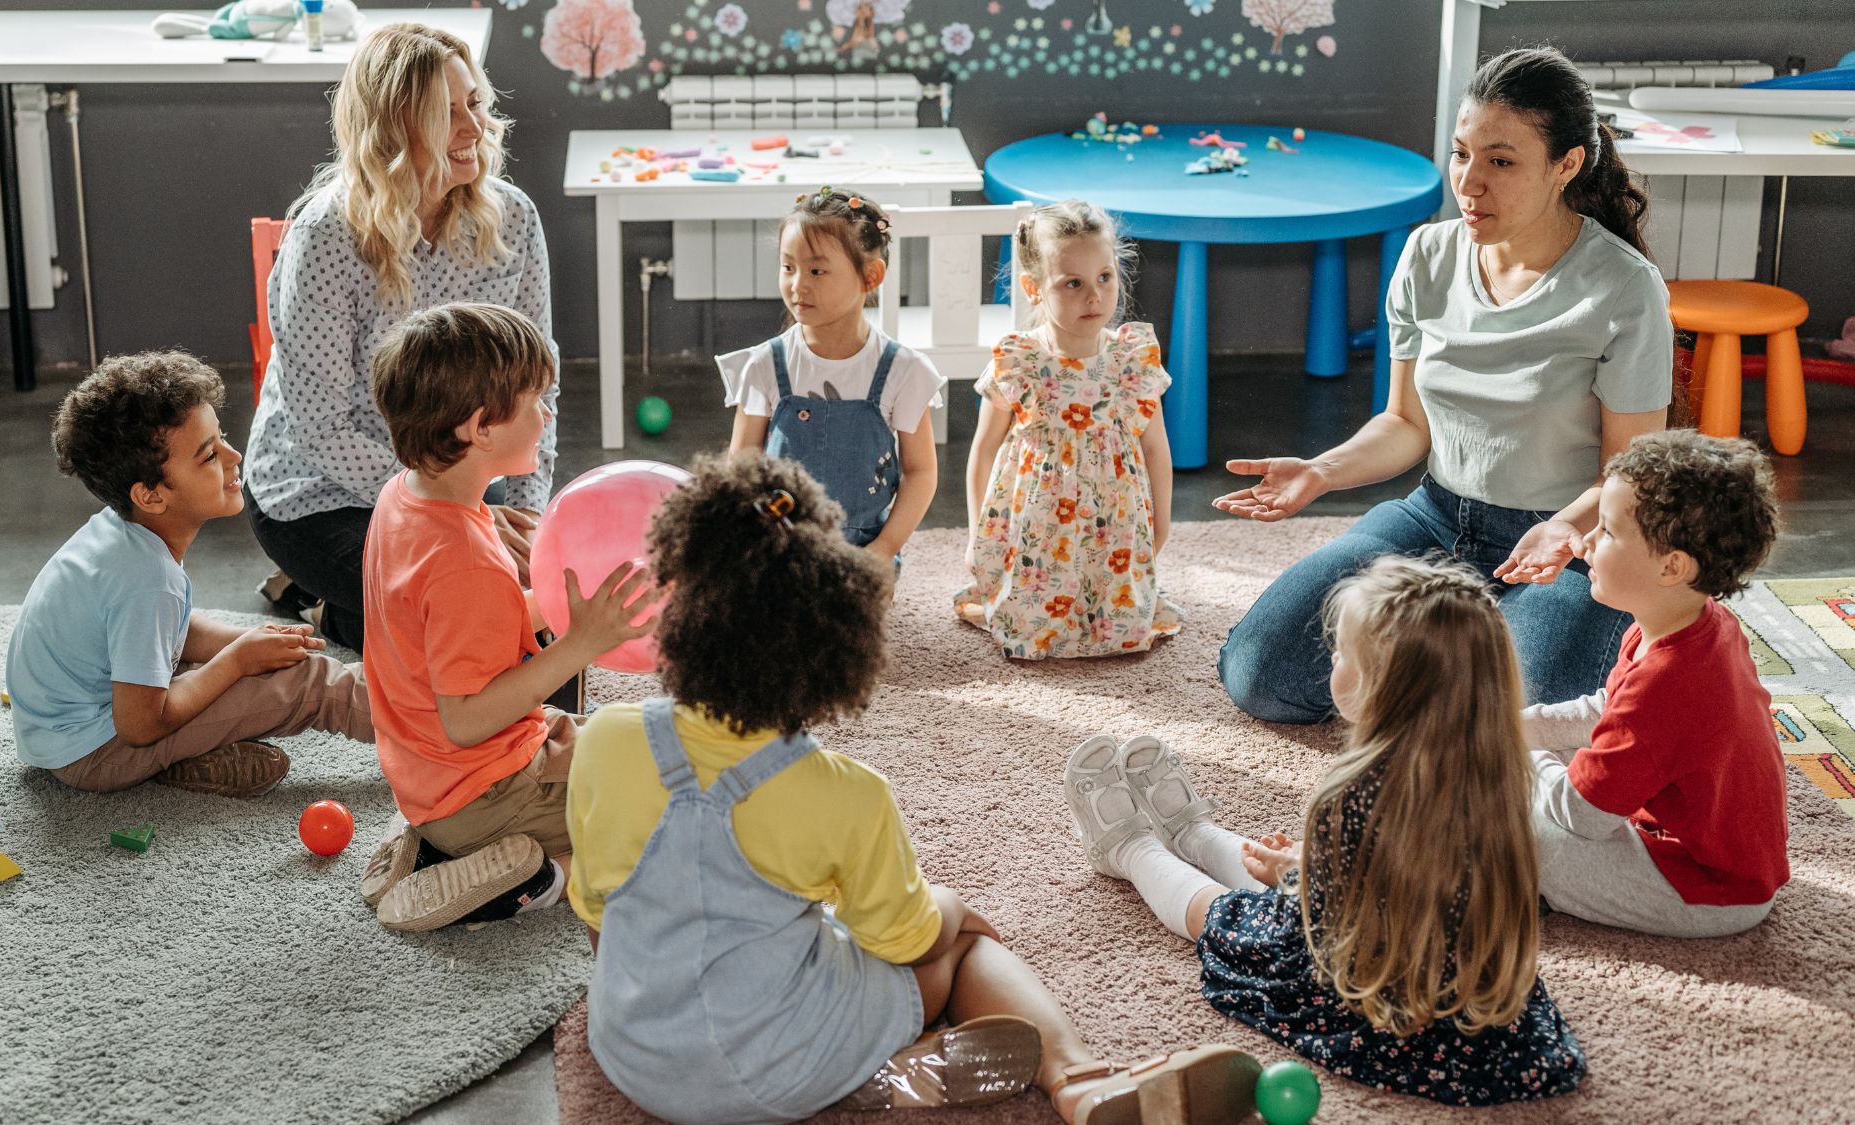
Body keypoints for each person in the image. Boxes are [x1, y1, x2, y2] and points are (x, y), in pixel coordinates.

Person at [569, 452, 1254, 1125]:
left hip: (634, 1056)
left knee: (773, 922)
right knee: (966, 950)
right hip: (778, 1066)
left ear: (675, 609)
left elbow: (600, 913)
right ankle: (1078, 1079)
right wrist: (953, 911)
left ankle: (867, 1067)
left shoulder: (604, 738)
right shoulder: (846, 794)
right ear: (835, 648)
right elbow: (908, 941)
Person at [1216, 46, 1673, 721]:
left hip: (1562, 543)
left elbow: (1629, 471)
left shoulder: (1624, 288)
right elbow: (1405, 424)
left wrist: (1566, 530)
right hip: (1434, 515)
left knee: (1524, 721)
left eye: (1501, 160)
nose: (1469, 181)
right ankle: (1452, 663)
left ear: (1567, 165)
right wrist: (1321, 470)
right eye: (1461, 154)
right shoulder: (1428, 255)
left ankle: (1448, 667)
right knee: (1260, 672)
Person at [1067, 556, 1585, 1105]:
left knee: (1228, 916)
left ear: (1378, 688)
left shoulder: (1355, 793)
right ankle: (1193, 833)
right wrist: (1309, 868)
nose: (1332, 657)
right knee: (1277, 883)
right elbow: (1408, 875)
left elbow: (1323, 918)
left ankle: (1131, 850)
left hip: (1386, 998)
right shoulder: (1506, 771)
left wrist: (1303, 875)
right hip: (1477, 1004)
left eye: (1342, 653)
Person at [243, 22, 558, 652]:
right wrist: (457, 513)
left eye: (475, 103)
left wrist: (527, 518)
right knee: (469, 614)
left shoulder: (513, 218)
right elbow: (321, 427)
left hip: (459, 477)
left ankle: (340, 601)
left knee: (524, 602)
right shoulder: (328, 235)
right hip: (320, 495)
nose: (474, 128)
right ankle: (327, 607)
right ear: (391, 129)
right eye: (446, 113)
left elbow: (536, 386)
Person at [355, 303, 652, 933]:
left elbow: (451, 636)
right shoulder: (463, 559)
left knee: (634, 739)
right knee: (666, 817)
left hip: (435, 776)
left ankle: (434, 844)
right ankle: (534, 877)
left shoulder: (406, 495)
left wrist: (552, 607)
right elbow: (466, 721)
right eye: (535, 400)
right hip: (484, 789)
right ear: (479, 428)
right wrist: (580, 643)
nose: (546, 415)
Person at [7, 353, 371, 796]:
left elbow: (172, 629)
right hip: (97, 752)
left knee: (258, 662)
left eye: (224, 439)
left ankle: (188, 758)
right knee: (304, 683)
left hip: (63, 734)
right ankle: (438, 732)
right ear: (151, 496)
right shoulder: (147, 582)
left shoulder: (123, 531)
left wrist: (244, 642)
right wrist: (238, 661)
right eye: (209, 455)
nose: (235, 456)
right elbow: (141, 724)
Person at [1527, 430, 1786, 937]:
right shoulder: (1691, 623)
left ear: (1671, 566)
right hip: (1693, 846)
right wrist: (1517, 728)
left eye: (1606, 531)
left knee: (1533, 841)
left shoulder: (1669, 680)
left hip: (1711, 888)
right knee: (1531, 776)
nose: (1585, 542)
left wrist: (1516, 753)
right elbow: (1609, 711)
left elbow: (1581, 817)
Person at [955, 200, 1180, 659]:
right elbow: (983, 451)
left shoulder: (1132, 360)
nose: (1094, 297)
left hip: (1113, 525)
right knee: (1031, 622)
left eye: (1104, 278)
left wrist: (1161, 524)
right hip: (1038, 528)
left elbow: (1156, 448)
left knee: (1117, 621)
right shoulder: (1019, 361)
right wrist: (979, 533)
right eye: (1072, 283)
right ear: (1034, 288)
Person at [720, 189, 942, 562]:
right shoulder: (765, 364)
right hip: (778, 547)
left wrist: (884, 550)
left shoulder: (904, 371)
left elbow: (920, 472)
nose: (797, 285)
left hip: (862, 553)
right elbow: (741, 466)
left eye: (817, 271)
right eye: (788, 267)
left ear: (870, 276)